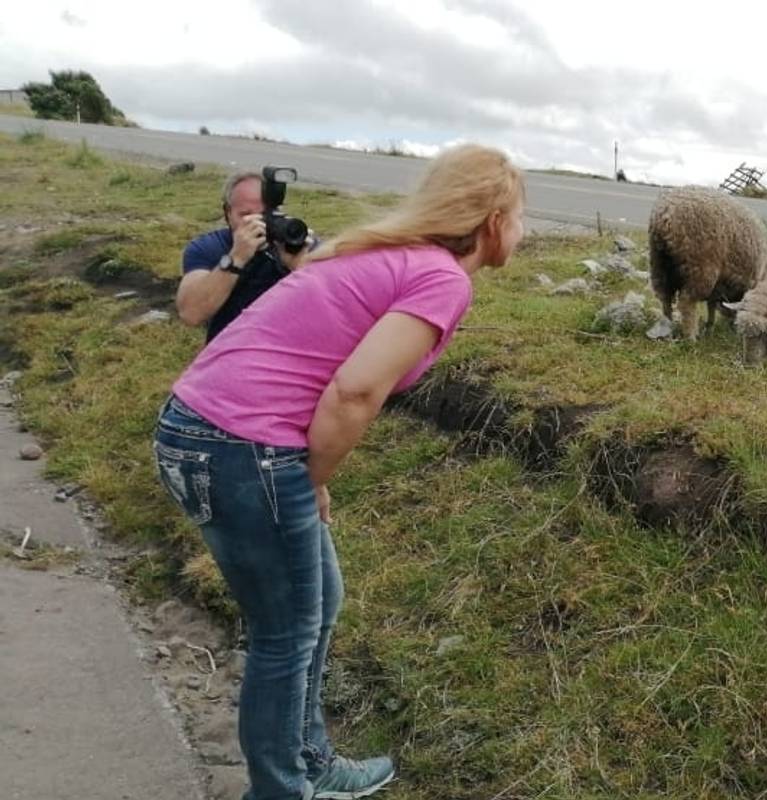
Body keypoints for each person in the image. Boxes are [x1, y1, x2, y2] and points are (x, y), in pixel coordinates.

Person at [152, 144, 526, 800]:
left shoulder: (380, 252)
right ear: (494, 219)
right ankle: (281, 790)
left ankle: (310, 761)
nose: (525, 230)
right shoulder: (442, 277)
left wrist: (303, 475)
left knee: (318, 603)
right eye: (522, 215)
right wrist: (313, 477)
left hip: (199, 429)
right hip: (243, 447)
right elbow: (354, 393)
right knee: (285, 634)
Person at [177, 170, 311, 342]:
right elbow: (191, 313)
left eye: (266, 214)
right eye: (247, 215)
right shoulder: (208, 248)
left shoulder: (296, 245)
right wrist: (236, 258)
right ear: (227, 213)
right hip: (229, 352)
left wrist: (301, 270)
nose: (259, 223)